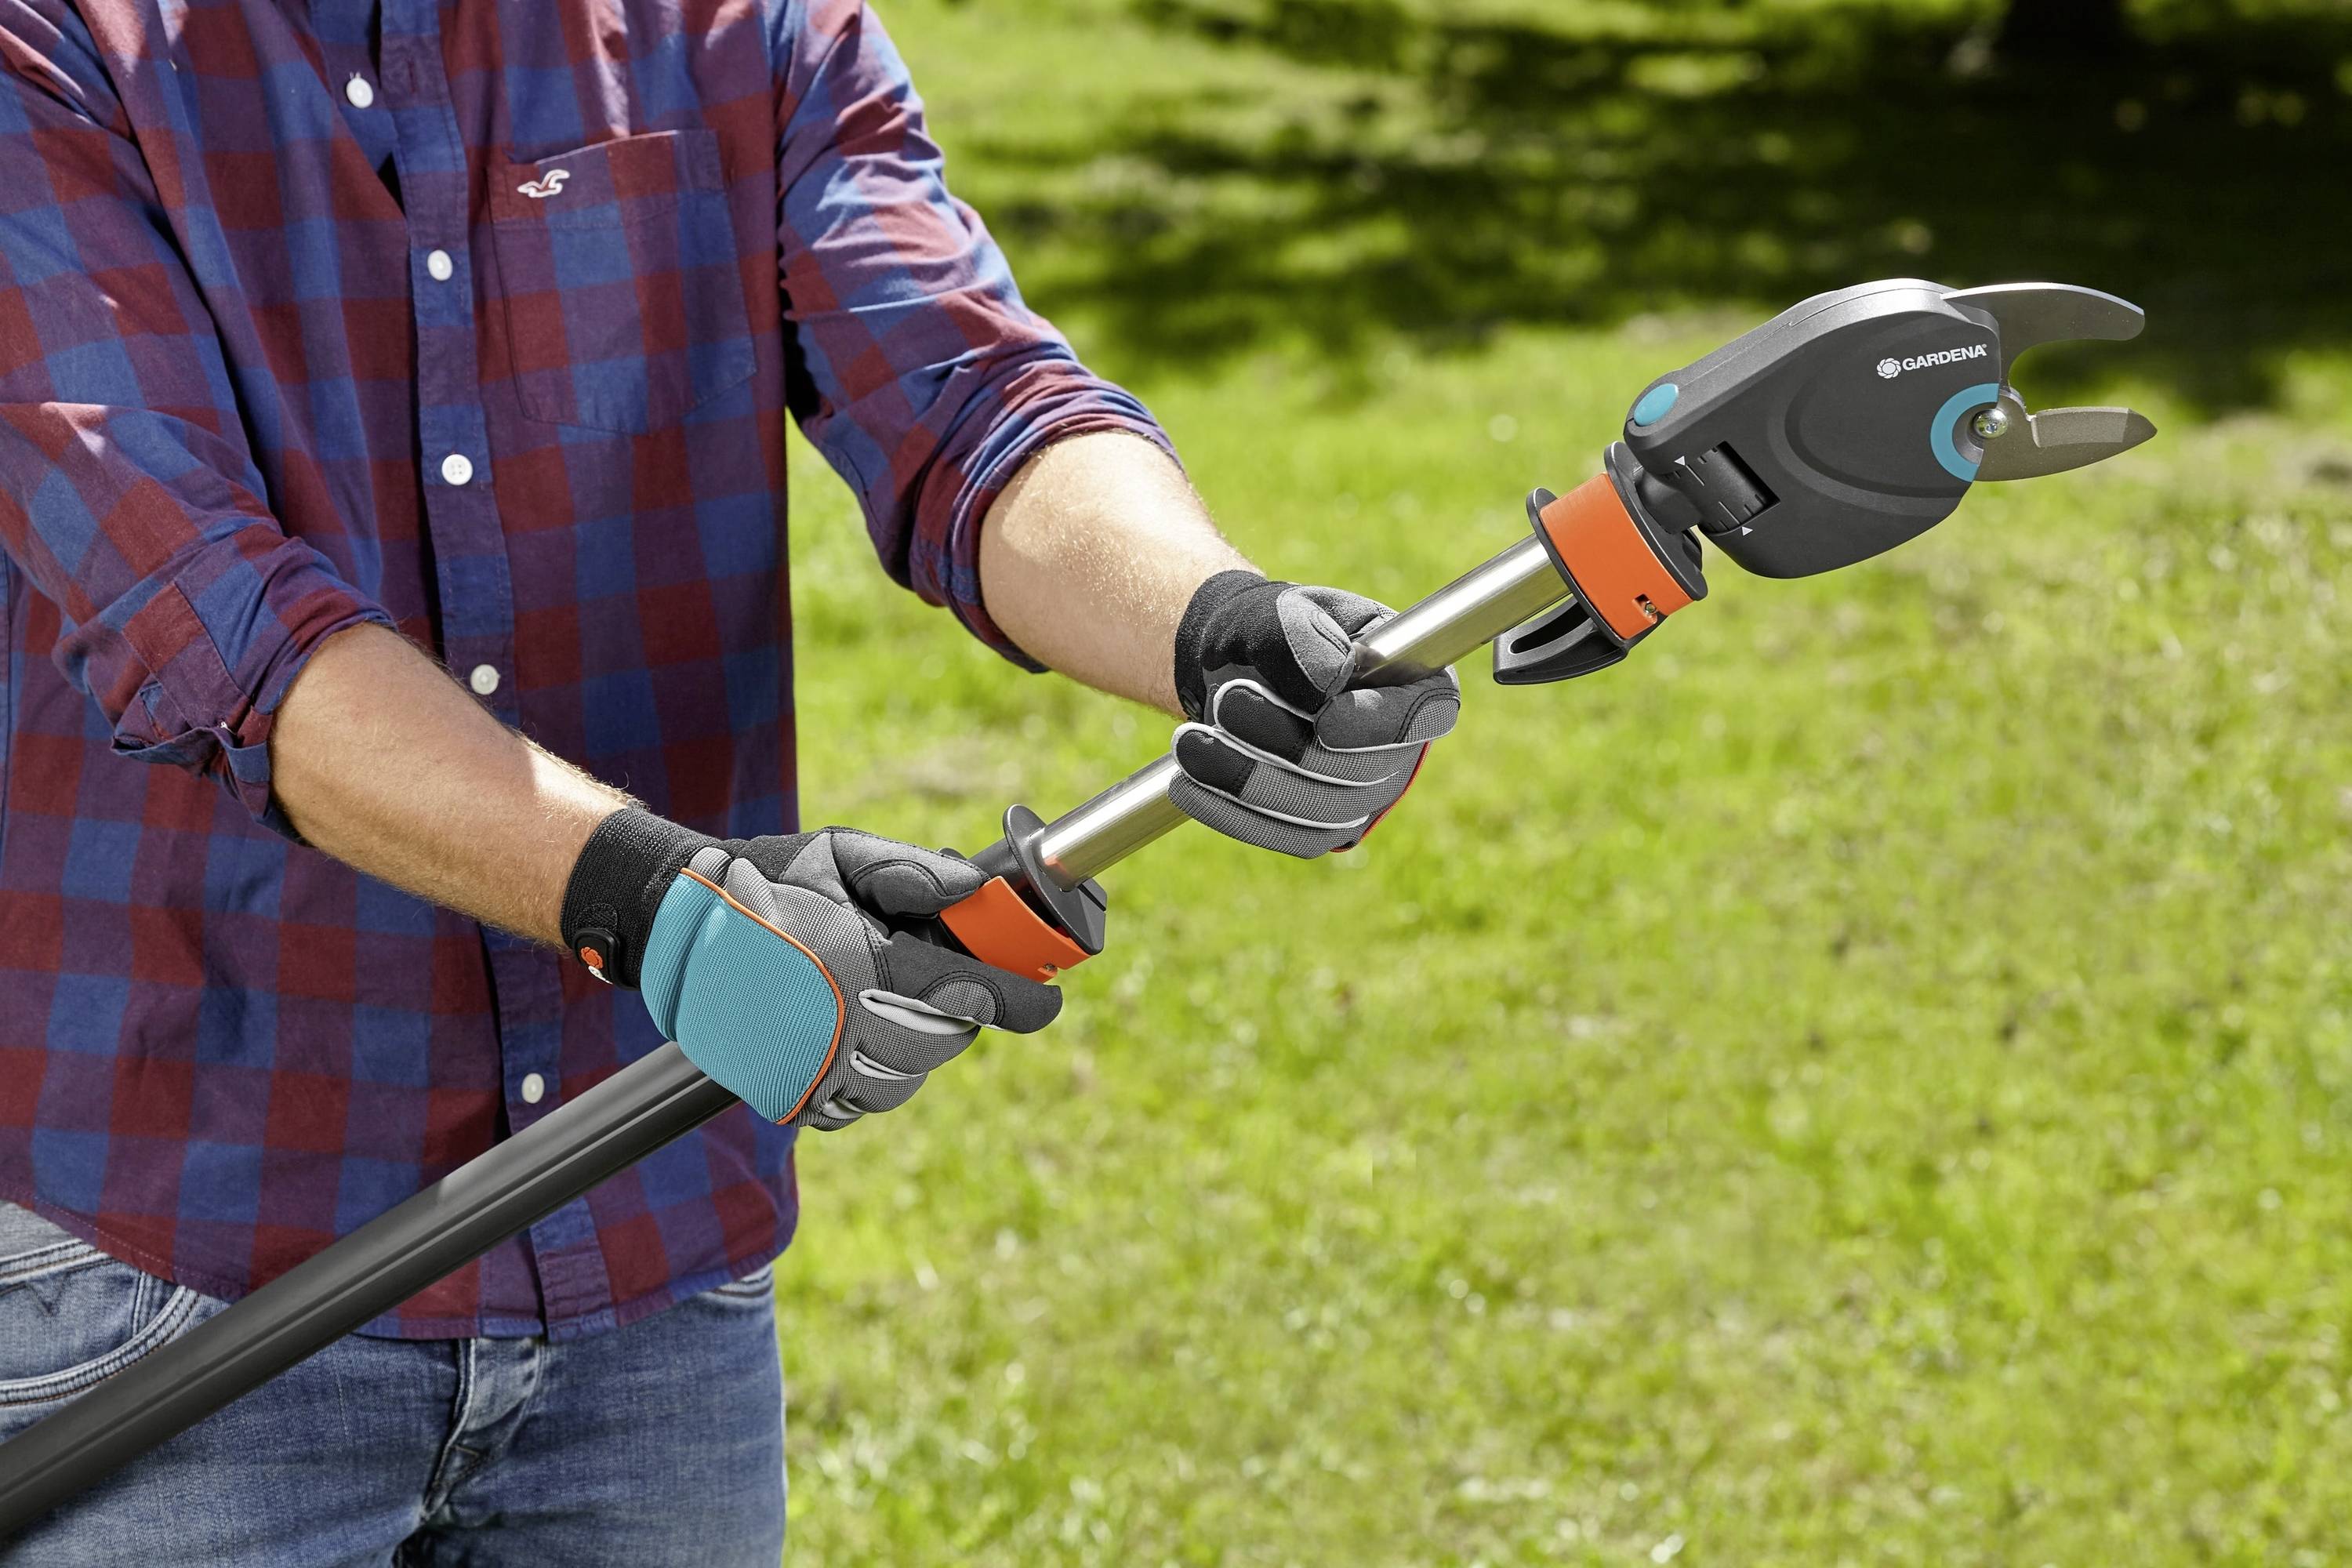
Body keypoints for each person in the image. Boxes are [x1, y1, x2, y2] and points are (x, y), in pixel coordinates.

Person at [0, 0, 1459, 1559]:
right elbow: (195, 606)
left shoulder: (741, 27)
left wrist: (1216, 628)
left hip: (650, 1272)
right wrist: (661, 909)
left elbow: (969, 395)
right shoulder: (54, 42)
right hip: (182, 1283)